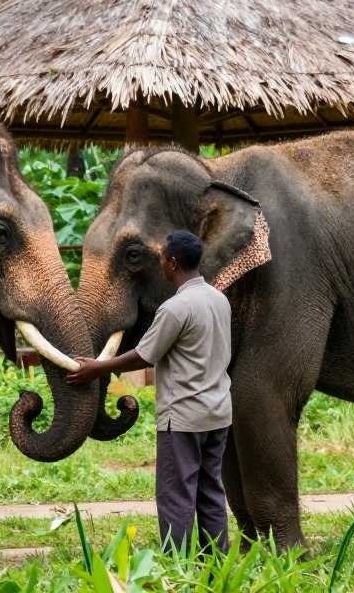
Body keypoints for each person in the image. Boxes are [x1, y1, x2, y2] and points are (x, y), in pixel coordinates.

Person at [67, 230, 233, 553]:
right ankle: (217, 567)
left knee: (176, 495)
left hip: (183, 418)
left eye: (161, 259)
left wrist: (95, 368)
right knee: (211, 491)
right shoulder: (219, 300)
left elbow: (144, 355)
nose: (161, 265)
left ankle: (179, 569)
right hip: (218, 413)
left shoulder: (175, 308)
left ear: (172, 263)